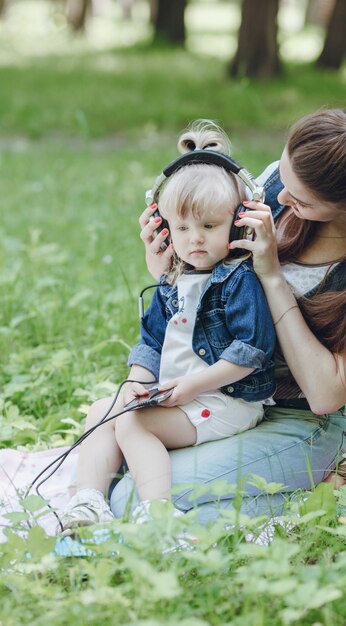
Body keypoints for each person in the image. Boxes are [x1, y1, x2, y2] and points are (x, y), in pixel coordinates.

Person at [109, 86, 346, 524]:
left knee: (135, 498)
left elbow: (328, 393)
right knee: (118, 458)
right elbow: (211, 284)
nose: (282, 200)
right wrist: (169, 269)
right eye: (283, 181)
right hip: (216, 397)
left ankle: (319, 490)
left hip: (299, 423)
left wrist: (272, 276)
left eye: (302, 201)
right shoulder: (275, 183)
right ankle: (309, 490)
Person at [59, 124, 276, 530]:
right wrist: (135, 384)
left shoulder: (238, 281)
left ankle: (157, 514)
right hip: (182, 396)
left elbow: (252, 350)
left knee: (133, 422)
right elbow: (151, 344)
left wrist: (190, 387)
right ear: (164, 227)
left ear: (237, 223)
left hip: (227, 399)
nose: (195, 239)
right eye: (182, 229)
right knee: (102, 411)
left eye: (209, 227)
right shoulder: (172, 282)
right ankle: (88, 501)